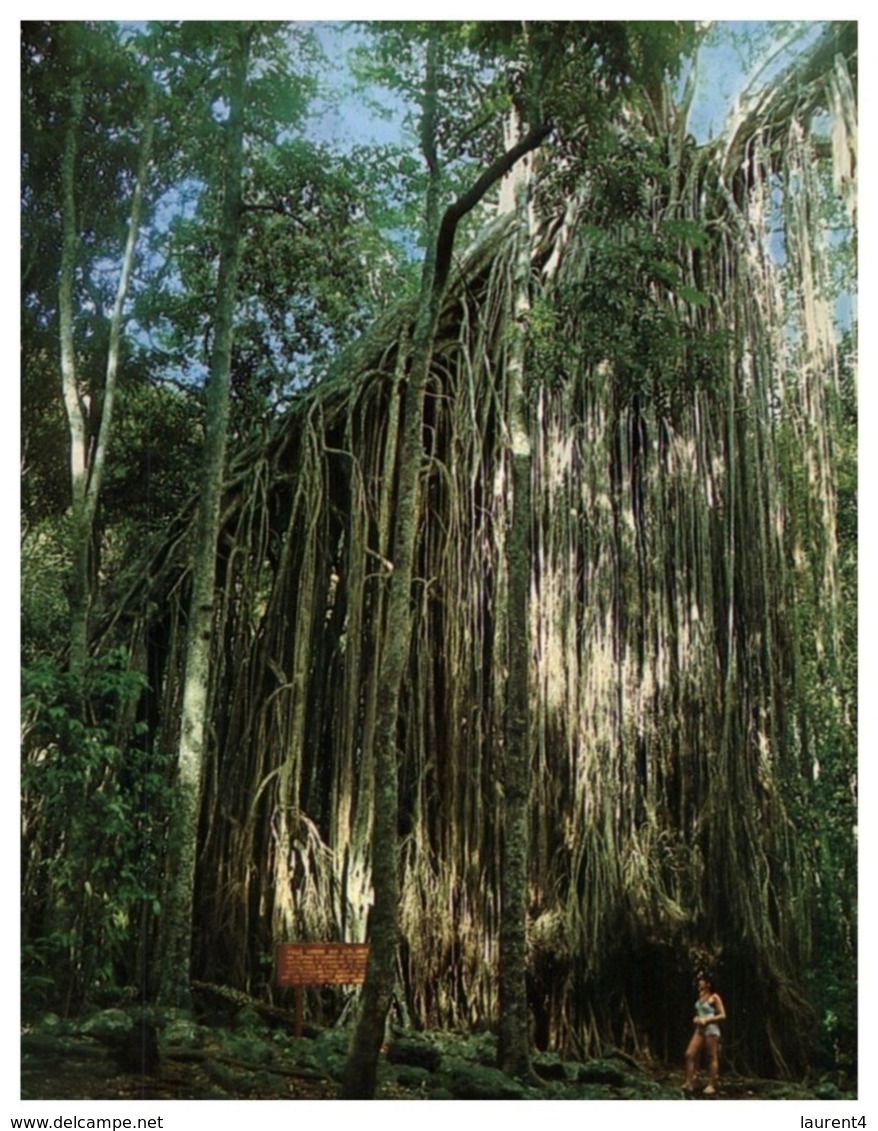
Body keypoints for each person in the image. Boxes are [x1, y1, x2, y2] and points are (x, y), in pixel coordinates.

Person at [683, 974, 726, 1096]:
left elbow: (723, 1015)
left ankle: (711, 1085)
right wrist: (697, 1017)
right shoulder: (701, 995)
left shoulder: (714, 997)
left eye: (701, 981)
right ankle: (689, 1082)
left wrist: (707, 1020)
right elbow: (700, 1012)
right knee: (689, 1054)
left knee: (711, 1056)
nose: (699, 983)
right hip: (699, 1029)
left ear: (708, 983)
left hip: (711, 1029)